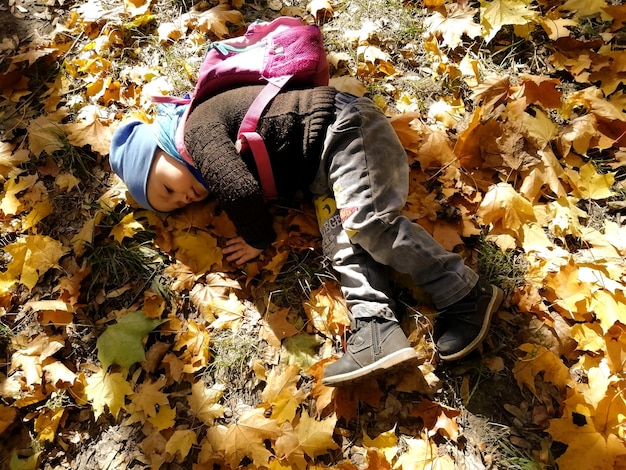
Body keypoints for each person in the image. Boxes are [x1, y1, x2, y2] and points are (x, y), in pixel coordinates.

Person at [109, 85, 504, 387]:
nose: (184, 198)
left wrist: (257, 239)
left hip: (345, 130)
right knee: (340, 245)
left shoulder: (195, 131)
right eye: (174, 204)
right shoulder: (194, 155)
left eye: (167, 188)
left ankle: (464, 291)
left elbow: (240, 191)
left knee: (367, 222)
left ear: (161, 150)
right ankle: (376, 326)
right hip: (321, 178)